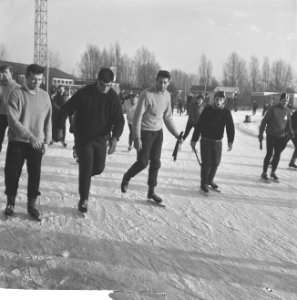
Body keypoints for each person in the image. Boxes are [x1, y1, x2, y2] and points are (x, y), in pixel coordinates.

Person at [55, 68, 124, 213]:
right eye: (102, 84)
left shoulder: (113, 97)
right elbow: (65, 109)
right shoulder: (84, 93)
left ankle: (84, 171)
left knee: (98, 168)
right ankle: (84, 199)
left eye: (108, 85)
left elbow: (119, 120)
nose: (105, 88)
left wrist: (115, 138)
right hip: (84, 137)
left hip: (101, 138)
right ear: (97, 80)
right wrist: (60, 127)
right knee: (87, 167)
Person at [121, 70, 182, 204]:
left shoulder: (167, 96)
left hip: (158, 133)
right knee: (143, 162)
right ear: (156, 81)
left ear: (168, 83)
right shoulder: (147, 95)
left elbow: (167, 117)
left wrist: (176, 134)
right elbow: (137, 117)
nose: (162, 85)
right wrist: (137, 138)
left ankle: (151, 191)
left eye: (165, 82)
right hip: (145, 133)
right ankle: (127, 177)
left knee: (156, 163)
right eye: (160, 82)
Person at [4, 64, 52, 220]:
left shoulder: (45, 96)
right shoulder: (17, 94)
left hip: (37, 143)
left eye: (39, 79)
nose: (36, 82)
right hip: (18, 141)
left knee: (35, 175)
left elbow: (48, 121)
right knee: (12, 173)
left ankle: (32, 205)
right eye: (33, 79)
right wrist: (30, 137)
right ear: (26, 78)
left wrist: (46, 141)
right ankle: (10, 203)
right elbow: (13, 121)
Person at [190, 91, 235, 194]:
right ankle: (204, 183)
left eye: (221, 99)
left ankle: (210, 179)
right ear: (213, 100)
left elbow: (230, 127)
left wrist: (230, 141)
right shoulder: (207, 110)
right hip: (206, 140)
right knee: (206, 163)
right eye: (216, 99)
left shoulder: (226, 112)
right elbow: (199, 125)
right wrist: (194, 140)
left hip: (218, 141)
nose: (218, 101)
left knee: (216, 163)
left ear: (224, 101)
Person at [258, 93, 294, 181]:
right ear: (280, 100)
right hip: (271, 135)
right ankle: (264, 172)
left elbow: (288, 125)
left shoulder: (288, 111)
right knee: (269, 153)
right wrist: (260, 133)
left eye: (286, 101)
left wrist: (291, 133)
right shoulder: (273, 109)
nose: (285, 102)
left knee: (277, 155)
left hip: (281, 137)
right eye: (283, 100)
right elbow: (264, 121)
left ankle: (273, 172)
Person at [0, 65, 21, 152]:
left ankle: (12, 163)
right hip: (1, 116)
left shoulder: (18, 87)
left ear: (11, 73)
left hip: (13, 116)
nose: (3, 75)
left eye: (6, 72)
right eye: (1, 73)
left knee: (14, 140)